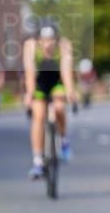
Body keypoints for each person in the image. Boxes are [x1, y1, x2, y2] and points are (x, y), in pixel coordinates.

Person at [22, 20, 77, 178]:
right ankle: (38, 160)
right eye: (44, 40)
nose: (47, 44)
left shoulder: (64, 45)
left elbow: (66, 71)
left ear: (56, 38)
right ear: (38, 39)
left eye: (51, 39)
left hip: (56, 81)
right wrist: (30, 93)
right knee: (38, 116)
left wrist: (70, 91)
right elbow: (30, 71)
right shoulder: (30, 46)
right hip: (39, 82)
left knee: (59, 107)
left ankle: (64, 139)